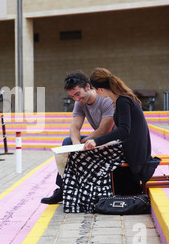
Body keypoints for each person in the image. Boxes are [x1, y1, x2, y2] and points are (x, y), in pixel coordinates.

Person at [62, 68, 160, 213]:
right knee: (74, 149)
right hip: (128, 146)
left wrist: (95, 142)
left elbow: (123, 131)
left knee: (87, 161)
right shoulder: (122, 99)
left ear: (98, 89)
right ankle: (72, 192)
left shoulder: (122, 101)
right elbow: (124, 131)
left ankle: (84, 196)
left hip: (133, 151)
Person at [41, 70, 114, 204]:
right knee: (68, 141)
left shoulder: (105, 99)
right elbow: (74, 127)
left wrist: (83, 142)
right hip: (97, 140)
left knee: (73, 144)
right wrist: (75, 145)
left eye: (77, 94)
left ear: (87, 86)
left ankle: (67, 189)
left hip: (112, 141)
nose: (76, 99)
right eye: (72, 96)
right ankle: (63, 188)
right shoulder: (80, 102)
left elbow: (104, 130)